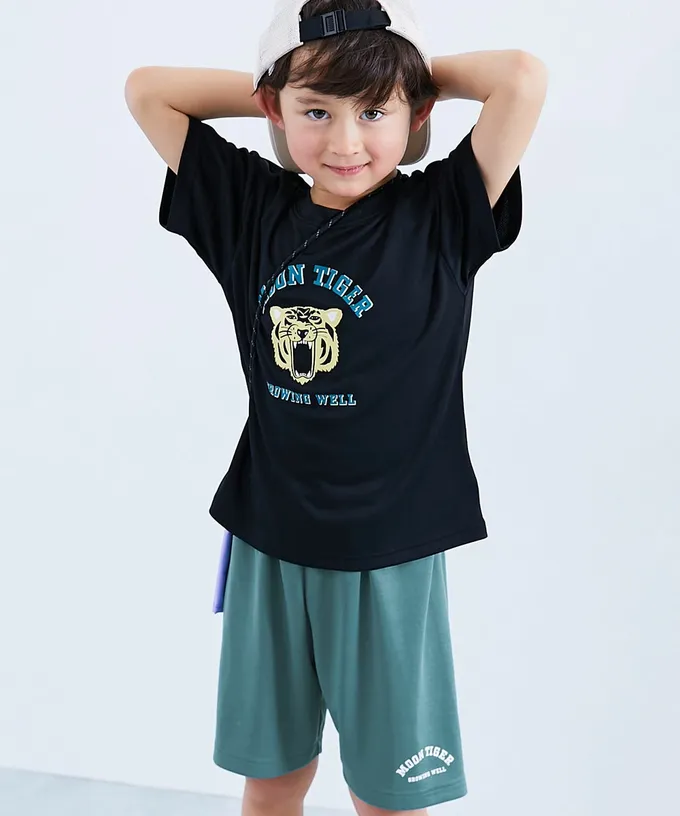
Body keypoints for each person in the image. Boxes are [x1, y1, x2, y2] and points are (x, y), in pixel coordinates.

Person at [124, 0, 548, 813]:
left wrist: (393, 71)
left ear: (416, 114)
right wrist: (296, 82)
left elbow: (522, 79)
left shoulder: (443, 214)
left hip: (389, 547)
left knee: (388, 793)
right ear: (273, 110)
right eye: (317, 113)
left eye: (374, 113)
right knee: (273, 777)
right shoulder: (251, 209)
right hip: (270, 534)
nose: (346, 141)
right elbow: (149, 90)